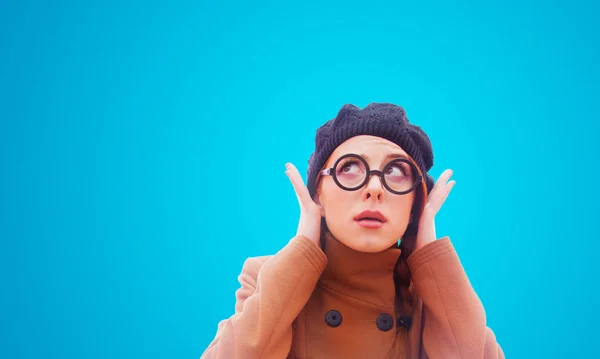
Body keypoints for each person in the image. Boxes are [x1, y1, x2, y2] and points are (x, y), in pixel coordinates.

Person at [200, 103, 505, 359]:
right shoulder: (267, 278)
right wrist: (303, 248)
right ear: (317, 195)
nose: (374, 188)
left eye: (396, 171)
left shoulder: (435, 299)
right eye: (349, 168)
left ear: (417, 201)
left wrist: (429, 251)